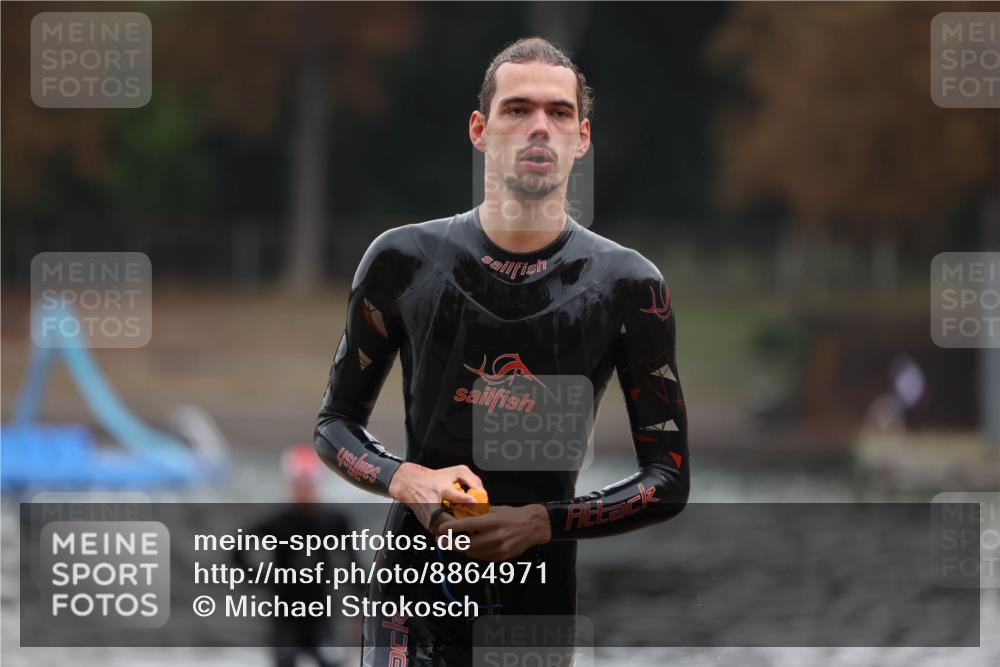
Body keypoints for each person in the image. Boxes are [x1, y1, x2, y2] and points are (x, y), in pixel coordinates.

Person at [314, 36, 689, 665]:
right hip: (413, 590)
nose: (539, 127)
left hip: (537, 603)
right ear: (480, 130)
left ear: (582, 138)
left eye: (558, 112)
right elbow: (334, 426)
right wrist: (408, 480)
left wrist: (545, 520)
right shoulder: (402, 261)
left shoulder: (629, 287)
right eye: (518, 109)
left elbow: (670, 480)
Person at [236, 444, 359, 667]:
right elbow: (237, 551)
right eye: (300, 484)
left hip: (321, 614)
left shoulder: (333, 522)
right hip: (285, 615)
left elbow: (352, 564)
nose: (305, 491)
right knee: (286, 659)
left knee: (332, 660)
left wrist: (362, 604)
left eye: (309, 484)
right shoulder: (277, 523)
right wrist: (263, 579)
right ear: (290, 484)